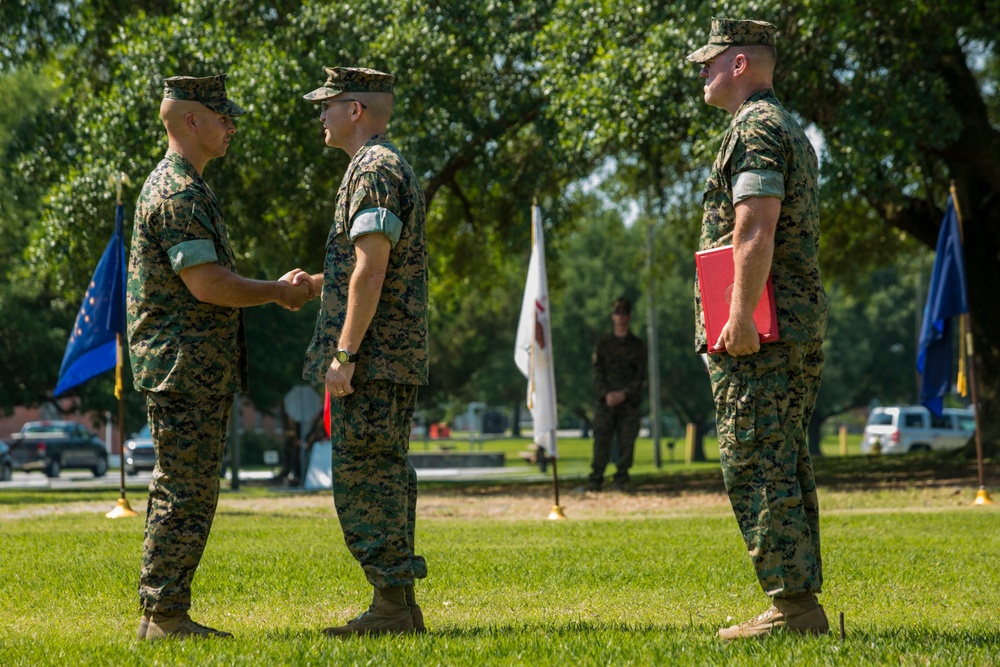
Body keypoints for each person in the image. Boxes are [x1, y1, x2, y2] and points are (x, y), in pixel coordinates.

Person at [127, 74, 312, 640]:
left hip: (192, 365)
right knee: (183, 489)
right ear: (190, 120)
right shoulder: (178, 192)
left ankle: (166, 611)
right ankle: (163, 615)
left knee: (191, 487)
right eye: (222, 117)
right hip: (183, 366)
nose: (231, 126)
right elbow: (208, 284)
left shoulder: (190, 186)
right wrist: (278, 292)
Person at [686, 18, 830, 639]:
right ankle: (798, 602)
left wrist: (739, 315)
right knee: (784, 457)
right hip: (790, 322)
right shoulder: (784, 126)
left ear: (740, 62)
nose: (702, 71)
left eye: (709, 61)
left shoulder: (755, 128)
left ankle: (793, 610)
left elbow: (754, 228)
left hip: (764, 329)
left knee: (757, 459)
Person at [298, 66, 428, 636]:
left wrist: (344, 354)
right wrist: (320, 287)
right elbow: (366, 269)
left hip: (373, 360)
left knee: (366, 479)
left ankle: (392, 609)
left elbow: (372, 268)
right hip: (387, 356)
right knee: (381, 473)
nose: (320, 114)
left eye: (328, 104)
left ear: (355, 109)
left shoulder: (374, 169)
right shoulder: (374, 168)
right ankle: (396, 603)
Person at [588, 297, 647, 492]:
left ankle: (621, 479)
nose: (620, 317)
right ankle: (596, 479)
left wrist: (624, 394)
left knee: (626, 442)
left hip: (628, 402)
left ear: (629, 316)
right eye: (617, 313)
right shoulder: (603, 344)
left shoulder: (637, 345)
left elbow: (640, 376)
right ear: (612, 316)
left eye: (623, 313)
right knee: (601, 440)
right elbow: (597, 373)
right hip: (606, 402)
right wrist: (606, 395)